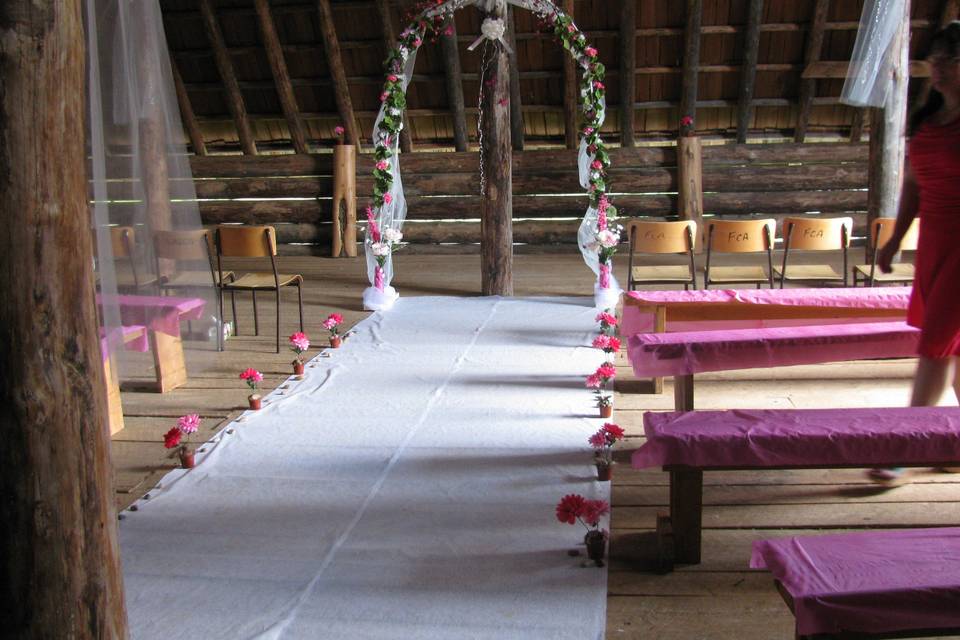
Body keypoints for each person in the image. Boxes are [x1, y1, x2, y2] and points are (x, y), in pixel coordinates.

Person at [869, 22, 960, 483]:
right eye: (936, 59)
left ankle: (906, 448)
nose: (940, 67)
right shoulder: (926, 118)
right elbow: (913, 184)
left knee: (936, 346)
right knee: (954, 347)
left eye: (951, 59)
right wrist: (895, 238)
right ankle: (954, 443)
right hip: (936, 242)